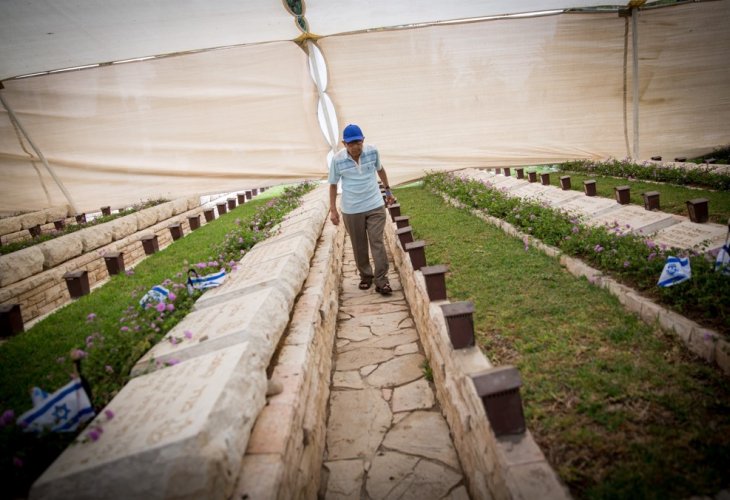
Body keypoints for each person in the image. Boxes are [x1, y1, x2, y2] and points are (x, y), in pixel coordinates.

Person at [329, 124, 395, 295]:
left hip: (374, 204)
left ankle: (382, 281)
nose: (355, 146)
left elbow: (380, 170)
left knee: (377, 242)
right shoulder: (337, 160)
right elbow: (333, 185)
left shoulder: (373, 152)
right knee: (359, 246)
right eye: (350, 143)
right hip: (351, 209)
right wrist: (333, 210)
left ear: (363, 140)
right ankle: (366, 276)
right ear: (344, 144)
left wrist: (388, 191)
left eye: (358, 142)